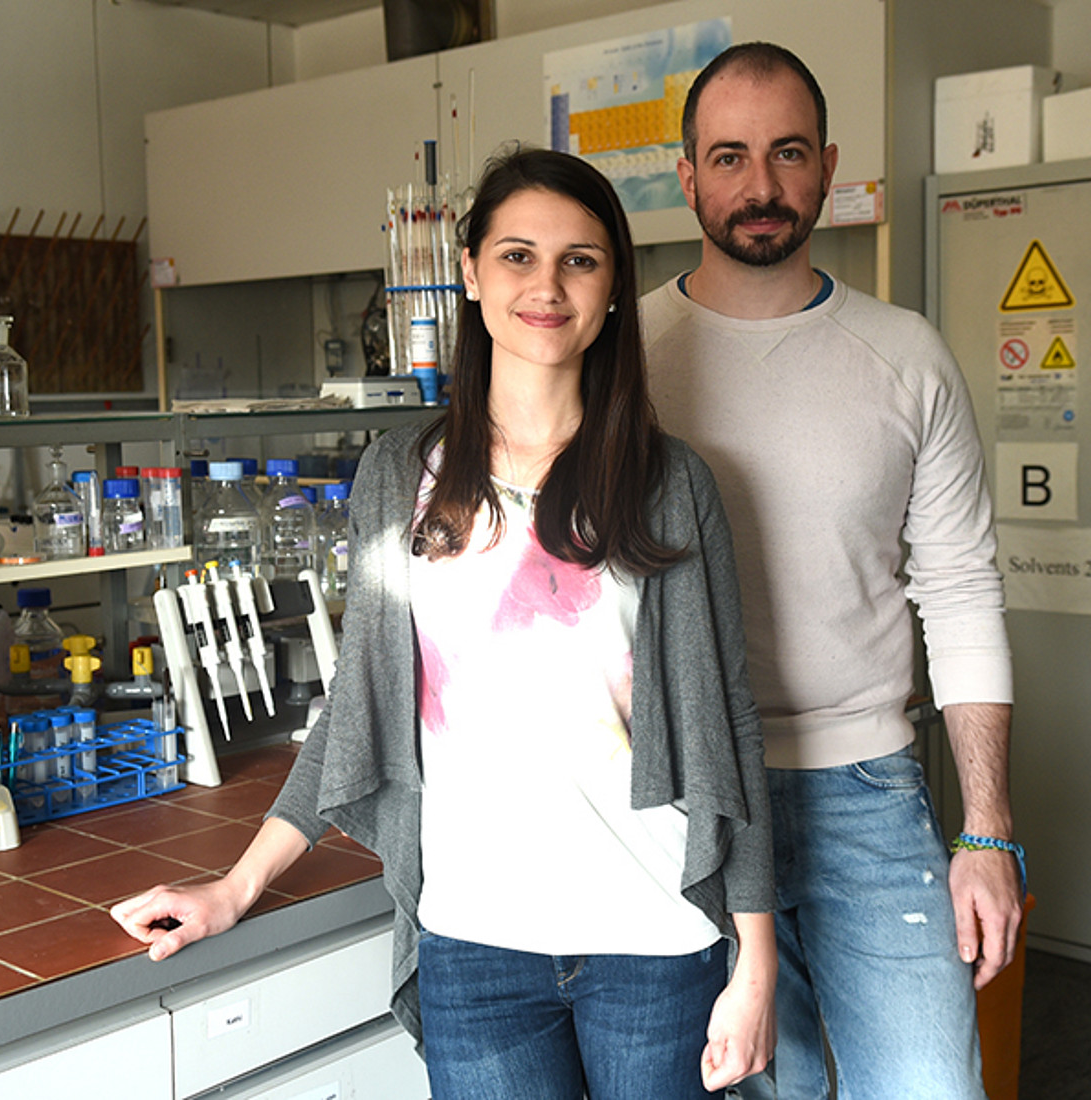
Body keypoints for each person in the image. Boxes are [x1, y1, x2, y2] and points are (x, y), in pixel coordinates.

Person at [112, 146, 777, 1097]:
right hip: (473, 943)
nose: (546, 286)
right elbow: (359, 706)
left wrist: (755, 963)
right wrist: (235, 885)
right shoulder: (397, 477)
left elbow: (729, 723)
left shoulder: (669, 485)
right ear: (469, 272)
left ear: (615, 287)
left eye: (580, 260)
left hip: (654, 935)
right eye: (517, 255)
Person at [639, 42, 1025, 1100]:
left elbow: (959, 589)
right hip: (689, 798)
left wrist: (986, 829)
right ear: (688, 176)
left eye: (787, 152)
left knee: (931, 1084)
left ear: (829, 165)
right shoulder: (626, 355)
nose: (759, 186)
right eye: (729, 156)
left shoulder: (907, 355)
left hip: (869, 790)